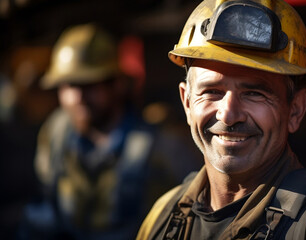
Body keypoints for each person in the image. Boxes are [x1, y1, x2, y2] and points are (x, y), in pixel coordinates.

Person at [136, 0, 306, 239]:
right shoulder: (164, 215)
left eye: (254, 93)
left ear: (295, 110)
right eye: (212, 92)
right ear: (187, 102)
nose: (228, 114)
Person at [19, 23, 200, 240]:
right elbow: (47, 199)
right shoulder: (56, 132)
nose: (77, 98)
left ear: (116, 85)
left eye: (88, 85)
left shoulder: (161, 143)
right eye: (68, 86)